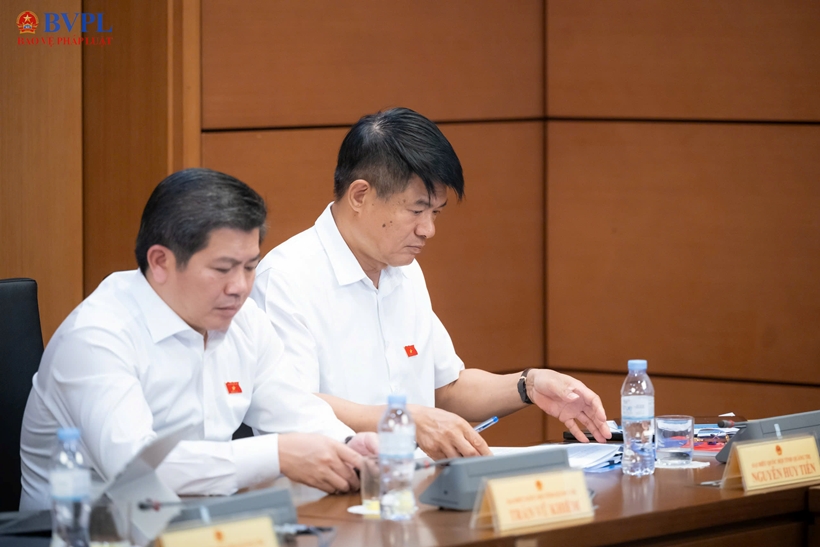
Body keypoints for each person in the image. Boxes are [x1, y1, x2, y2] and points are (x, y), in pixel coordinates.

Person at [251, 107, 611, 460]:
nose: (428, 230)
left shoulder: (403, 270)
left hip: (416, 483)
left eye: (435, 212)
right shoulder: (285, 278)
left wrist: (529, 384)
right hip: (335, 488)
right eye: (416, 210)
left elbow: (446, 389)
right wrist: (405, 420)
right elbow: (290, 406)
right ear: (360, 196)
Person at [20, 168, 376, 511]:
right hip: (87, 532)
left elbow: (291, 408)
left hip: (203, 525)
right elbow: (137, 470)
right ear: (160, 261)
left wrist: (348, 445)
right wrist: (278, 455)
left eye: (250, 267)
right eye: (222, 269)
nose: (240, 287)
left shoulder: (245, 320)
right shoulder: (96, 336)